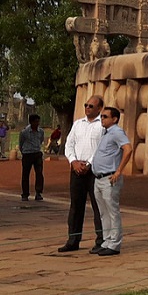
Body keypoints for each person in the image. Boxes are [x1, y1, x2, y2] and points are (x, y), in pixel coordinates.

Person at [57, 96, 105, 253]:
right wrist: (73, 162)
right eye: (86, 105)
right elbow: (69, 145)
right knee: (76, 206)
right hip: (77, 169)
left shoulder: (103, 126)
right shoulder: (78, 124)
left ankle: (101, 241)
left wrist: (89, 163)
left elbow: (101, 148)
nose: (87, 108)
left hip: (94, 170)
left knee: (98, 206)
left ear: (99, 109)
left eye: (91, 106)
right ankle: (73, 239)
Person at [90, 105, 133, 256]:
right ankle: (107, 241)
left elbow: (127, 149)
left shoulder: (116, 132)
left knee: (112, 211)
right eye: (101, 116)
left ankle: (114, 244)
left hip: (110, 177)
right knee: (103, 212)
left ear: (114, 119)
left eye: (105, 117)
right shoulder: (106, 133)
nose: (102, 119)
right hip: (99, 177)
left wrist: (119, 171)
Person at [19, 114, 46, 201]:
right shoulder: (24, 132)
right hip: (27, 154)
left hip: (37, 153)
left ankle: (38, 192)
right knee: (25, 174)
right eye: (35, 122)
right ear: (31, 122)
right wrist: (23, 151)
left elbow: (41, 140)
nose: (37, 123)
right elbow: (21, 143)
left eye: (38, 121)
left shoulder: (41, 131)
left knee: (39, 173)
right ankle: (25, 194)